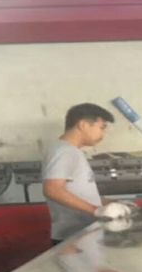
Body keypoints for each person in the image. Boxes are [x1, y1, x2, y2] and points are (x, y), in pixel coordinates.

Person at [42, 103, 135, 245]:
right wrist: (97, 210)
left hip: (83, 235)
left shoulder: (72, 152)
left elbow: (78, 193)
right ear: (83, 125)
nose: (103, 134)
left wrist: (111, 203)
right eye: (102, 127)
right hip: (72, 238)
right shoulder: (64, 152)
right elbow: (52, 189)